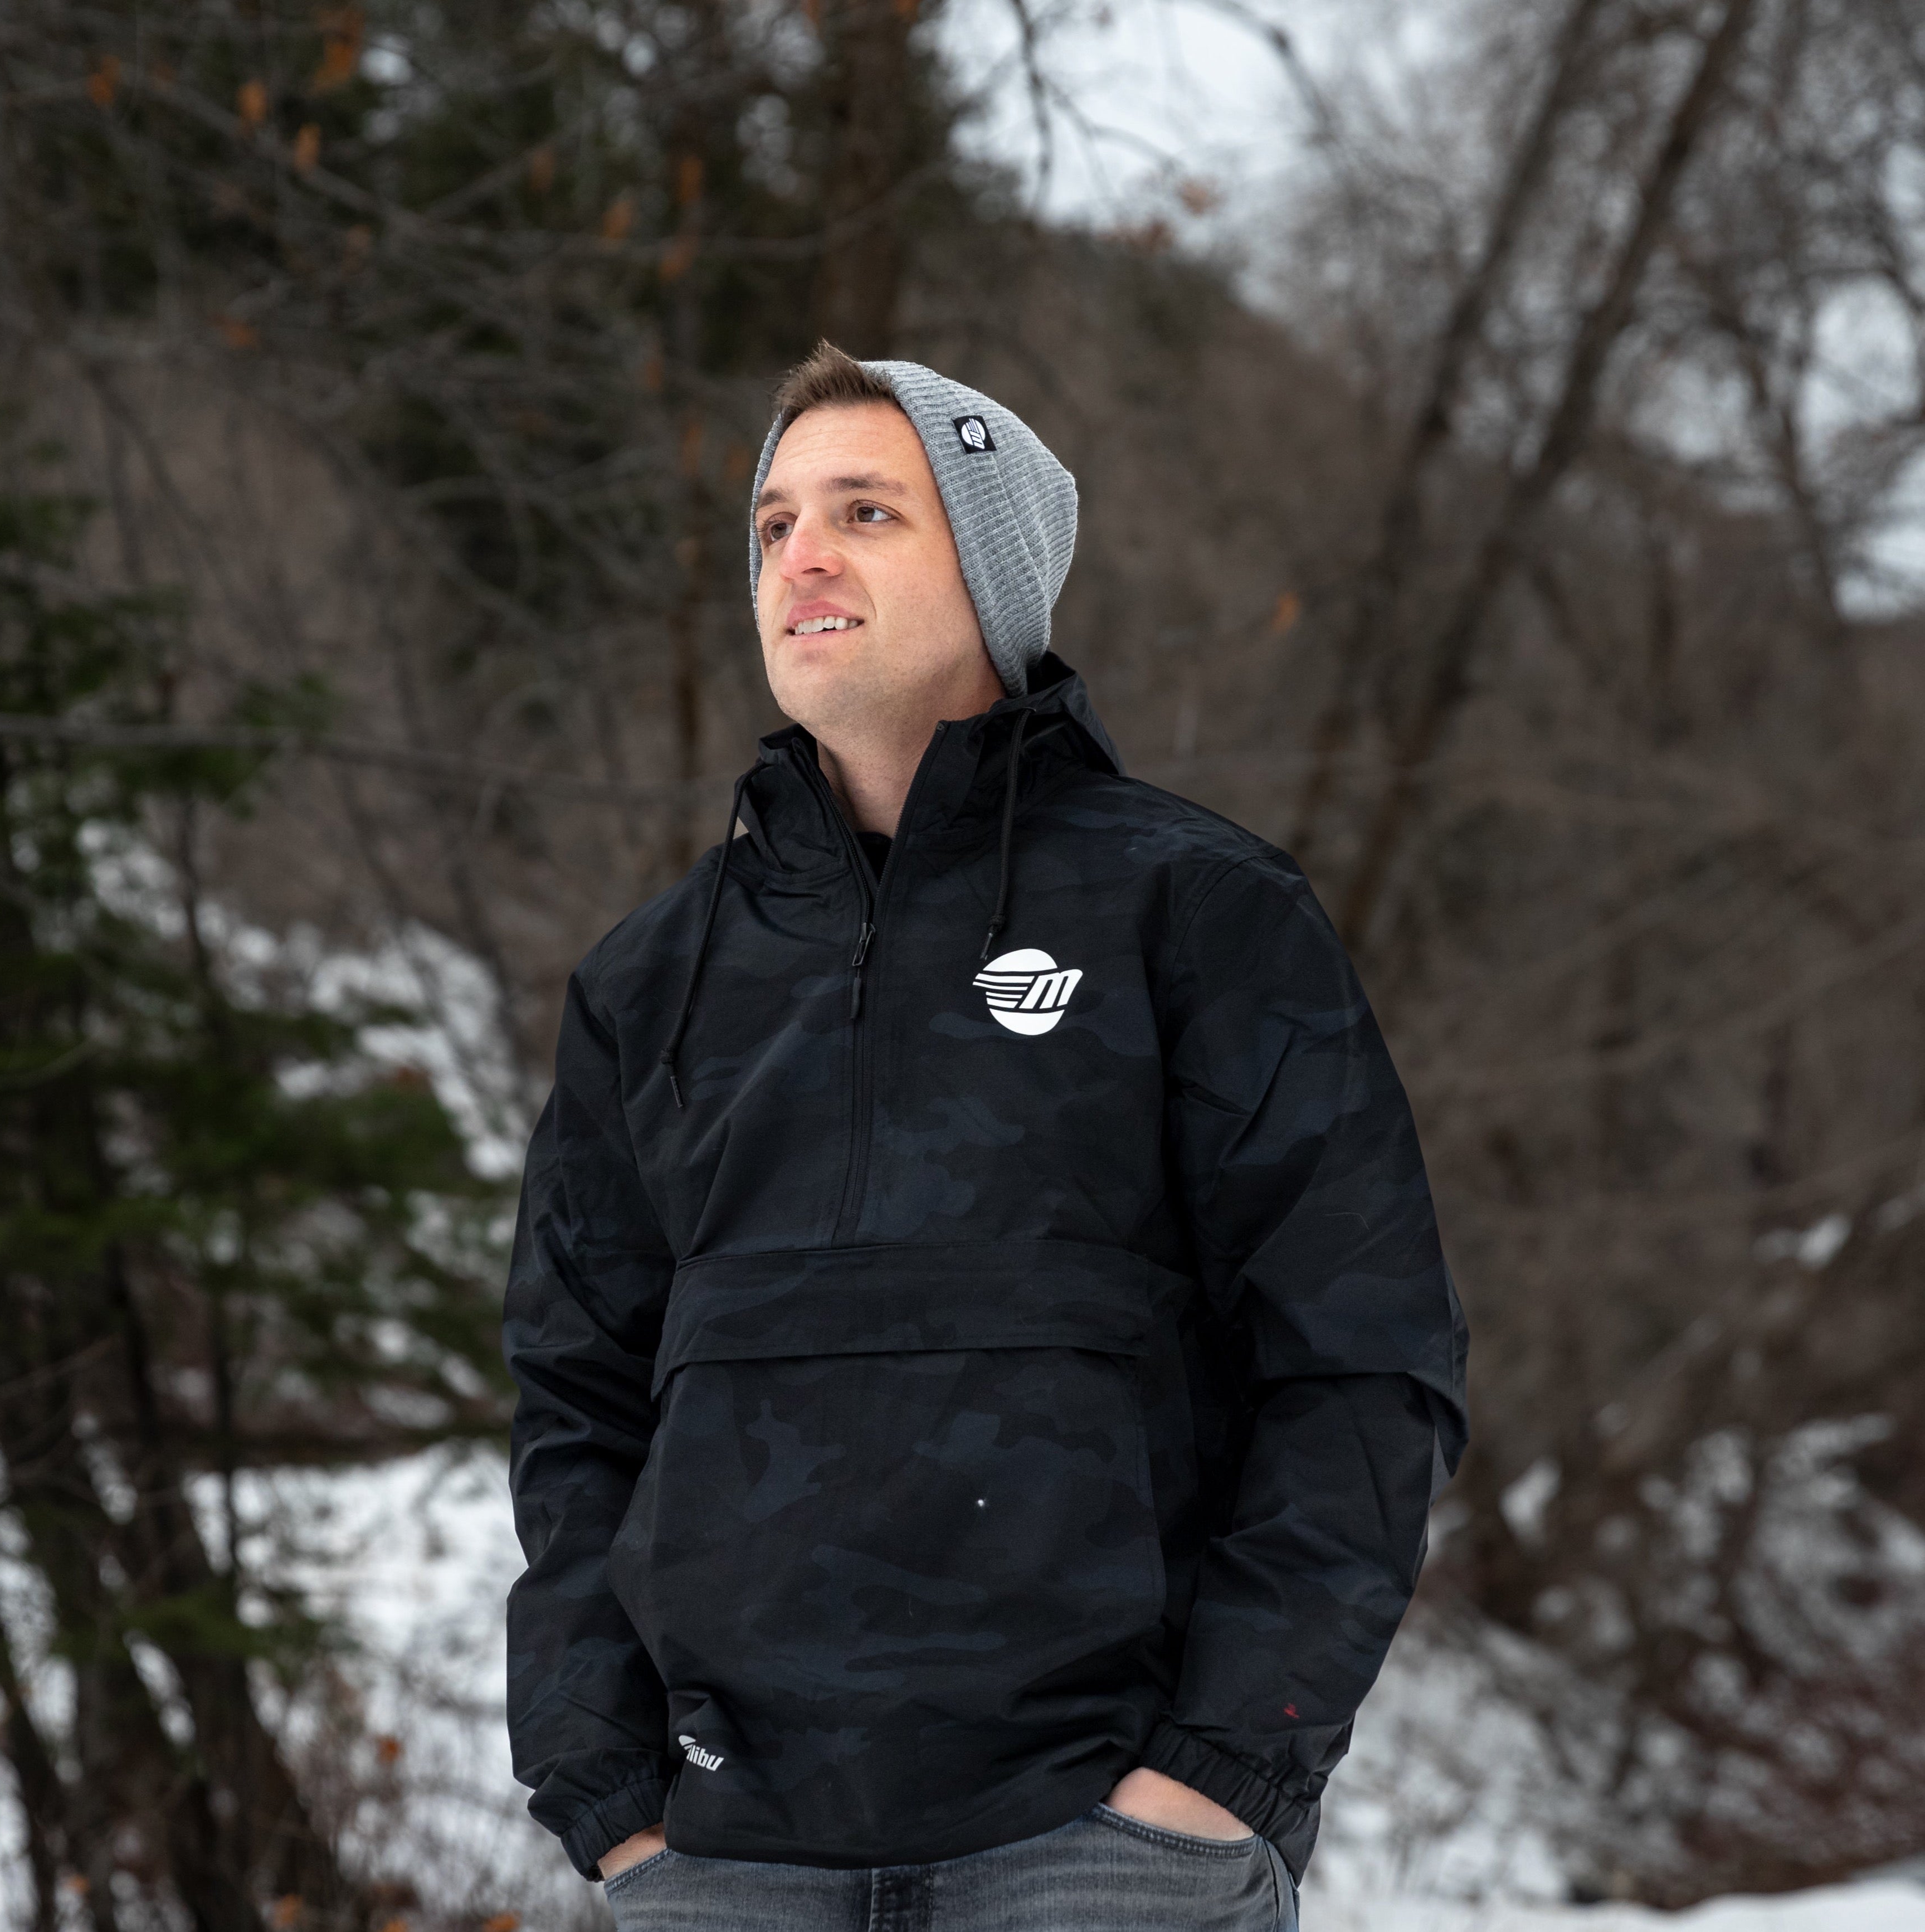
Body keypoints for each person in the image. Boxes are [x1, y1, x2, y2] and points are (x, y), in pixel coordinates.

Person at [503, 343, 1468, 1931]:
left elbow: (1363, 1359)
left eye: (865, 511)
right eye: (770, 524)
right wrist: (609, 1797)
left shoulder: (1197, 911)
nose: (798, 554)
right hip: (722, 1856)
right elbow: (576, 1402)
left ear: (995, 571)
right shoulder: (651, 979)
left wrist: (1218, 1773)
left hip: (1093, 1844)